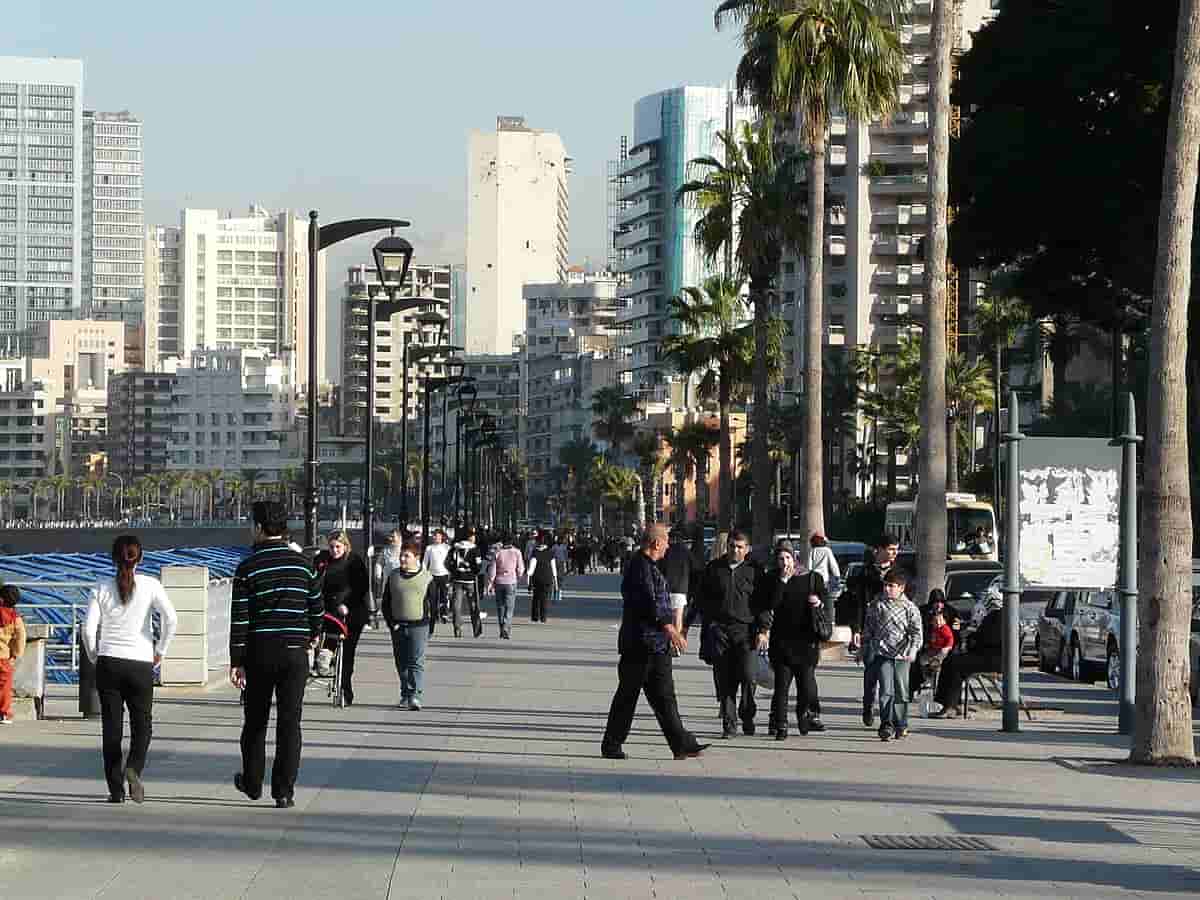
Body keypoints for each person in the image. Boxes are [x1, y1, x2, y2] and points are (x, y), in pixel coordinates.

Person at [231, 501, 323, 809]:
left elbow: (240, 619)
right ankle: (284, 791)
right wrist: (311, 636)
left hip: (259, 653)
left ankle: (253, 782)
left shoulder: (247, 568)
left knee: (255, 721)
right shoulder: (304, 565)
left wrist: (237, 661)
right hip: (295, 654)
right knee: (290, 723)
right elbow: (317, 608)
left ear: (259, 528)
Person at [601, 524, 709, 761]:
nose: (669, 546)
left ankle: (681, 744)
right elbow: (651, 604)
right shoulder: (640, 567)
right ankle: (611, 744)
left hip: (656, 646)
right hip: (640, 646)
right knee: (627, 696)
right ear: (656, 543)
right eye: (666, 541)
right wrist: (672, 631)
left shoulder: (648, 566)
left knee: (665, 698)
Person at [82, 536, 178, 803]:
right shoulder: (151, 585)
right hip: (140, 663)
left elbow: (88, 630)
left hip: (109, 662)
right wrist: (160, 651)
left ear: (113, 558)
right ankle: (134, 767)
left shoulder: (101, 587)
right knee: (142, 724)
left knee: (112, 729)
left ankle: (116, 791)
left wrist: (95, 655)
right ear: (140, 558)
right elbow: (171, 619)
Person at [688, 530, 769, 738]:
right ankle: (729, 724)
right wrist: (687, 626)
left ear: (747, 549)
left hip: (746, 632)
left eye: (740, 547)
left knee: (748, 676)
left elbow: (762, 603)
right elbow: (699, 599)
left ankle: (747, 715)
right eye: (732, 546)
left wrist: (763, 630)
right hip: (720, 631)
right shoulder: (714, 569)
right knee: (725, 680)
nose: (735, 550)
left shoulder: (755, 571)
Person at [761, 542, 829, 739]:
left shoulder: (812, 578)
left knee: (806, 687)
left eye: (788, 558)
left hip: (806, 642)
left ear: (795, 558)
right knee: (781, 687)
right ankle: (781, 725)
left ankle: (803, 715)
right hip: (782, 642)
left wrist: (818, 602)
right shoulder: (772, 578)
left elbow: (825, 602)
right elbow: (771, 604)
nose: (785, 562)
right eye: (781, 559)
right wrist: (783, 581)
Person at [862, 569, 923, 742]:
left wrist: (912, 650)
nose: (887, 589)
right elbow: (869, 628)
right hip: (882, 654)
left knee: (901, 691)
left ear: (901, 588)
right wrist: (864, 647)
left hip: (902, 656)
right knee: (886, 691)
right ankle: (886, 724)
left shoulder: (909, 608)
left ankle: (901, 723)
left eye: (891, 586)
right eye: (886, 585)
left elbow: (916, 633)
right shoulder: (877, 605)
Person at [314, 529, 369, 705]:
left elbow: (361, 587)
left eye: (338, 547)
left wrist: (348, 605)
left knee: (347, 653)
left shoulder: (354, 561)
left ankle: (345, 689)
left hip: (351, 611)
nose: (334, 550)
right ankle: (324, 658)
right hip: (327, 609)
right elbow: (314, 581)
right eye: (331, 547)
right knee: (323, 636)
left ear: (345, 546)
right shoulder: (322, 559)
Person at [381, 540, 437, 709]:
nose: (402, 559)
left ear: (417, 557)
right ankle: (405, 693)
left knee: (416, 661)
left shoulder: (427, 578)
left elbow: (433, 604)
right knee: (401, 662)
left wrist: (430, 626)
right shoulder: (393, 576)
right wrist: (391, 623)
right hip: (398, 625)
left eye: (407, 556)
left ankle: (415, 695)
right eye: (401, 555)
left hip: (419, 626)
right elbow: (386, 602)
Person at [932, 593, 1004, 718]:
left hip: (992, 659)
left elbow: (986, 639)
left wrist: (972, 637)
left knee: (954, 664)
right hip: (994, 657)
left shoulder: (997, 616)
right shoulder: (1002, 615)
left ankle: (950, 705)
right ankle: (951, 703)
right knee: (952, 662)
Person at [909, 589, 959, 696]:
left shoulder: (951, 612)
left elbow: (956, 633)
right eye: (936, 602)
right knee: (915, 661)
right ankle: (915, 686)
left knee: (951, 663)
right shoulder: (922, 611)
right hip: (927, 645)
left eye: (941, 602)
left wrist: (949, 647)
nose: (938, 605)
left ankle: (947, 694)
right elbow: (918, 629)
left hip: (946, 647)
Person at [660, 529, 699, 634]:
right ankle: (676, 640)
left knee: (665, 618)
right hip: (680, 589)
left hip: (665, 588)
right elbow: (695, 570)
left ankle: (666, 639)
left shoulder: (665, 550)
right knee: (678, 617)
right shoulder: (686, 552)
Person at [447, 527, 484, 638]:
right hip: (470, 580)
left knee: (456, 607)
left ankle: (457, 629)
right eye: (473, 536)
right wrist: (474, 571)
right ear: (469, 537)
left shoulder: (454, 548)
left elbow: (447, 562)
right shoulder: (475, 549)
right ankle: (477, 630)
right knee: (474, 606)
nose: (474, 538)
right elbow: (478, 566)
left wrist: (453, 572)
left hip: (457, 580)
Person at [485, 535, 524, 638]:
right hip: (511, 582)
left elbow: (492, 570)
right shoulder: (517, 552)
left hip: (499, 582)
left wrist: (490, 583)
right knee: (509, 607)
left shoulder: (498, 553)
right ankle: (506, 627)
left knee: (500, 606)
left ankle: (502, 627)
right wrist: (518, 576)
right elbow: (520, 569)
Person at [0, 585, 28, 725]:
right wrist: (16, 654)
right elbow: (21, 637)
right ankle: (4, 713)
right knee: (5, 686)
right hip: (4, 656)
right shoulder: (15, 618)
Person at [526, 531, 557, 624]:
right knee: (545, 598)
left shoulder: (535, 552)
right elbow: (554, 568)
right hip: (548, 578)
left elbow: (531, 569)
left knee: (536, 597)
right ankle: (543, 617)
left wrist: (528, 580)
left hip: (537, 578)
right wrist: (556, 582)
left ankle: (535, 617)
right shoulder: (551, 553)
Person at [422, 529, 452, 623]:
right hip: (432, 576)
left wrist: (451, 574)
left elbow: (451, 562)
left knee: (444, 596)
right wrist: (423, 573)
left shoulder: (447, 548)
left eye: (437, 535)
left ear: (442, 537)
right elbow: (425, 562)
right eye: (434, 536)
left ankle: (444, 614)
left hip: (444, 575)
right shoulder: (429, 548)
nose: (435, 537)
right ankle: (434, 615)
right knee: (432, 597)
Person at [807, 533, 842, 598]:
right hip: (824, 578)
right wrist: (837, 576)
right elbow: (833, 565)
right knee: (825, 596)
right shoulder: (827, 550)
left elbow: (809, 566)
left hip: (814, 578)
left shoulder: (812, 551)